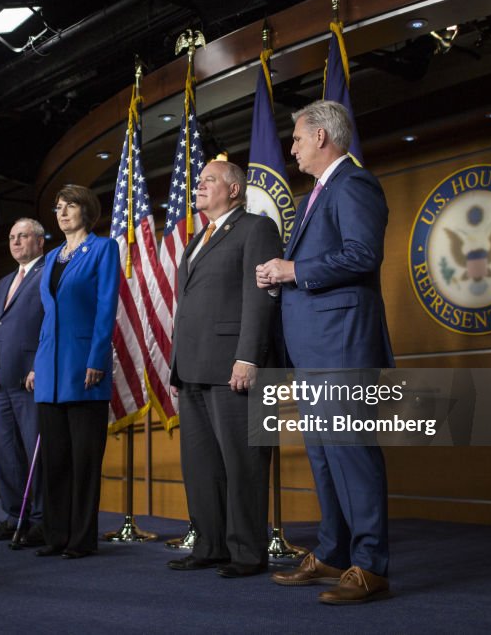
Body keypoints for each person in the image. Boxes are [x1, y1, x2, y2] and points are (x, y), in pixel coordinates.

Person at [256, 100, 394, 604]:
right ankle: (335, 552)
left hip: (343, 347)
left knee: (351, 454)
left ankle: (371, 565)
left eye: (295, 137)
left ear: (321, 137)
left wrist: (293, 271)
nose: (290, 146)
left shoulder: (354, 182)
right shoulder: (317, 193)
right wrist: (279, 275)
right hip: (314, 349)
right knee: (323, 458)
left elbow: (362, 254)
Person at [166, 160, 281, 578]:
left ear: (234, 190)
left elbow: (260, 296)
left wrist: (248, 355)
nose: (198, 186)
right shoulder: (198, 238)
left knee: (243, 464)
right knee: (202, 467)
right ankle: (210, 545)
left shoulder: (256, 228)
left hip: (236, 366)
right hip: (193, 367)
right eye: (198, 181)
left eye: (208, 180)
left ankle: (247, 553)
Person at [29, 184, 119, 559]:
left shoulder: (103, 249)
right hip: (50, 371)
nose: (62, 212)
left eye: (70, 206)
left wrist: (98, 358)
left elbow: (106, 305)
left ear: (88, 211)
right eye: (58, 207)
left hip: (85, 367)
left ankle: (80, 539)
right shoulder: (50, 258)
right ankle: (56, 535)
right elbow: (47, 316)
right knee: (55, 459)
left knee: (83, 461)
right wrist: (37, 364)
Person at [0, 218, 46, 546]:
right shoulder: (5, 280)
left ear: (40, 241)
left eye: (23, 236)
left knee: (35, 453)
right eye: (12, 237)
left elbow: (51, 325)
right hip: (0, 379)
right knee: (5, 452)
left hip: (31, 379)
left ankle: (39, 520)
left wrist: (40, 366)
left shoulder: (49, 273)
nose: (16, 242)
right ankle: (13, 514)